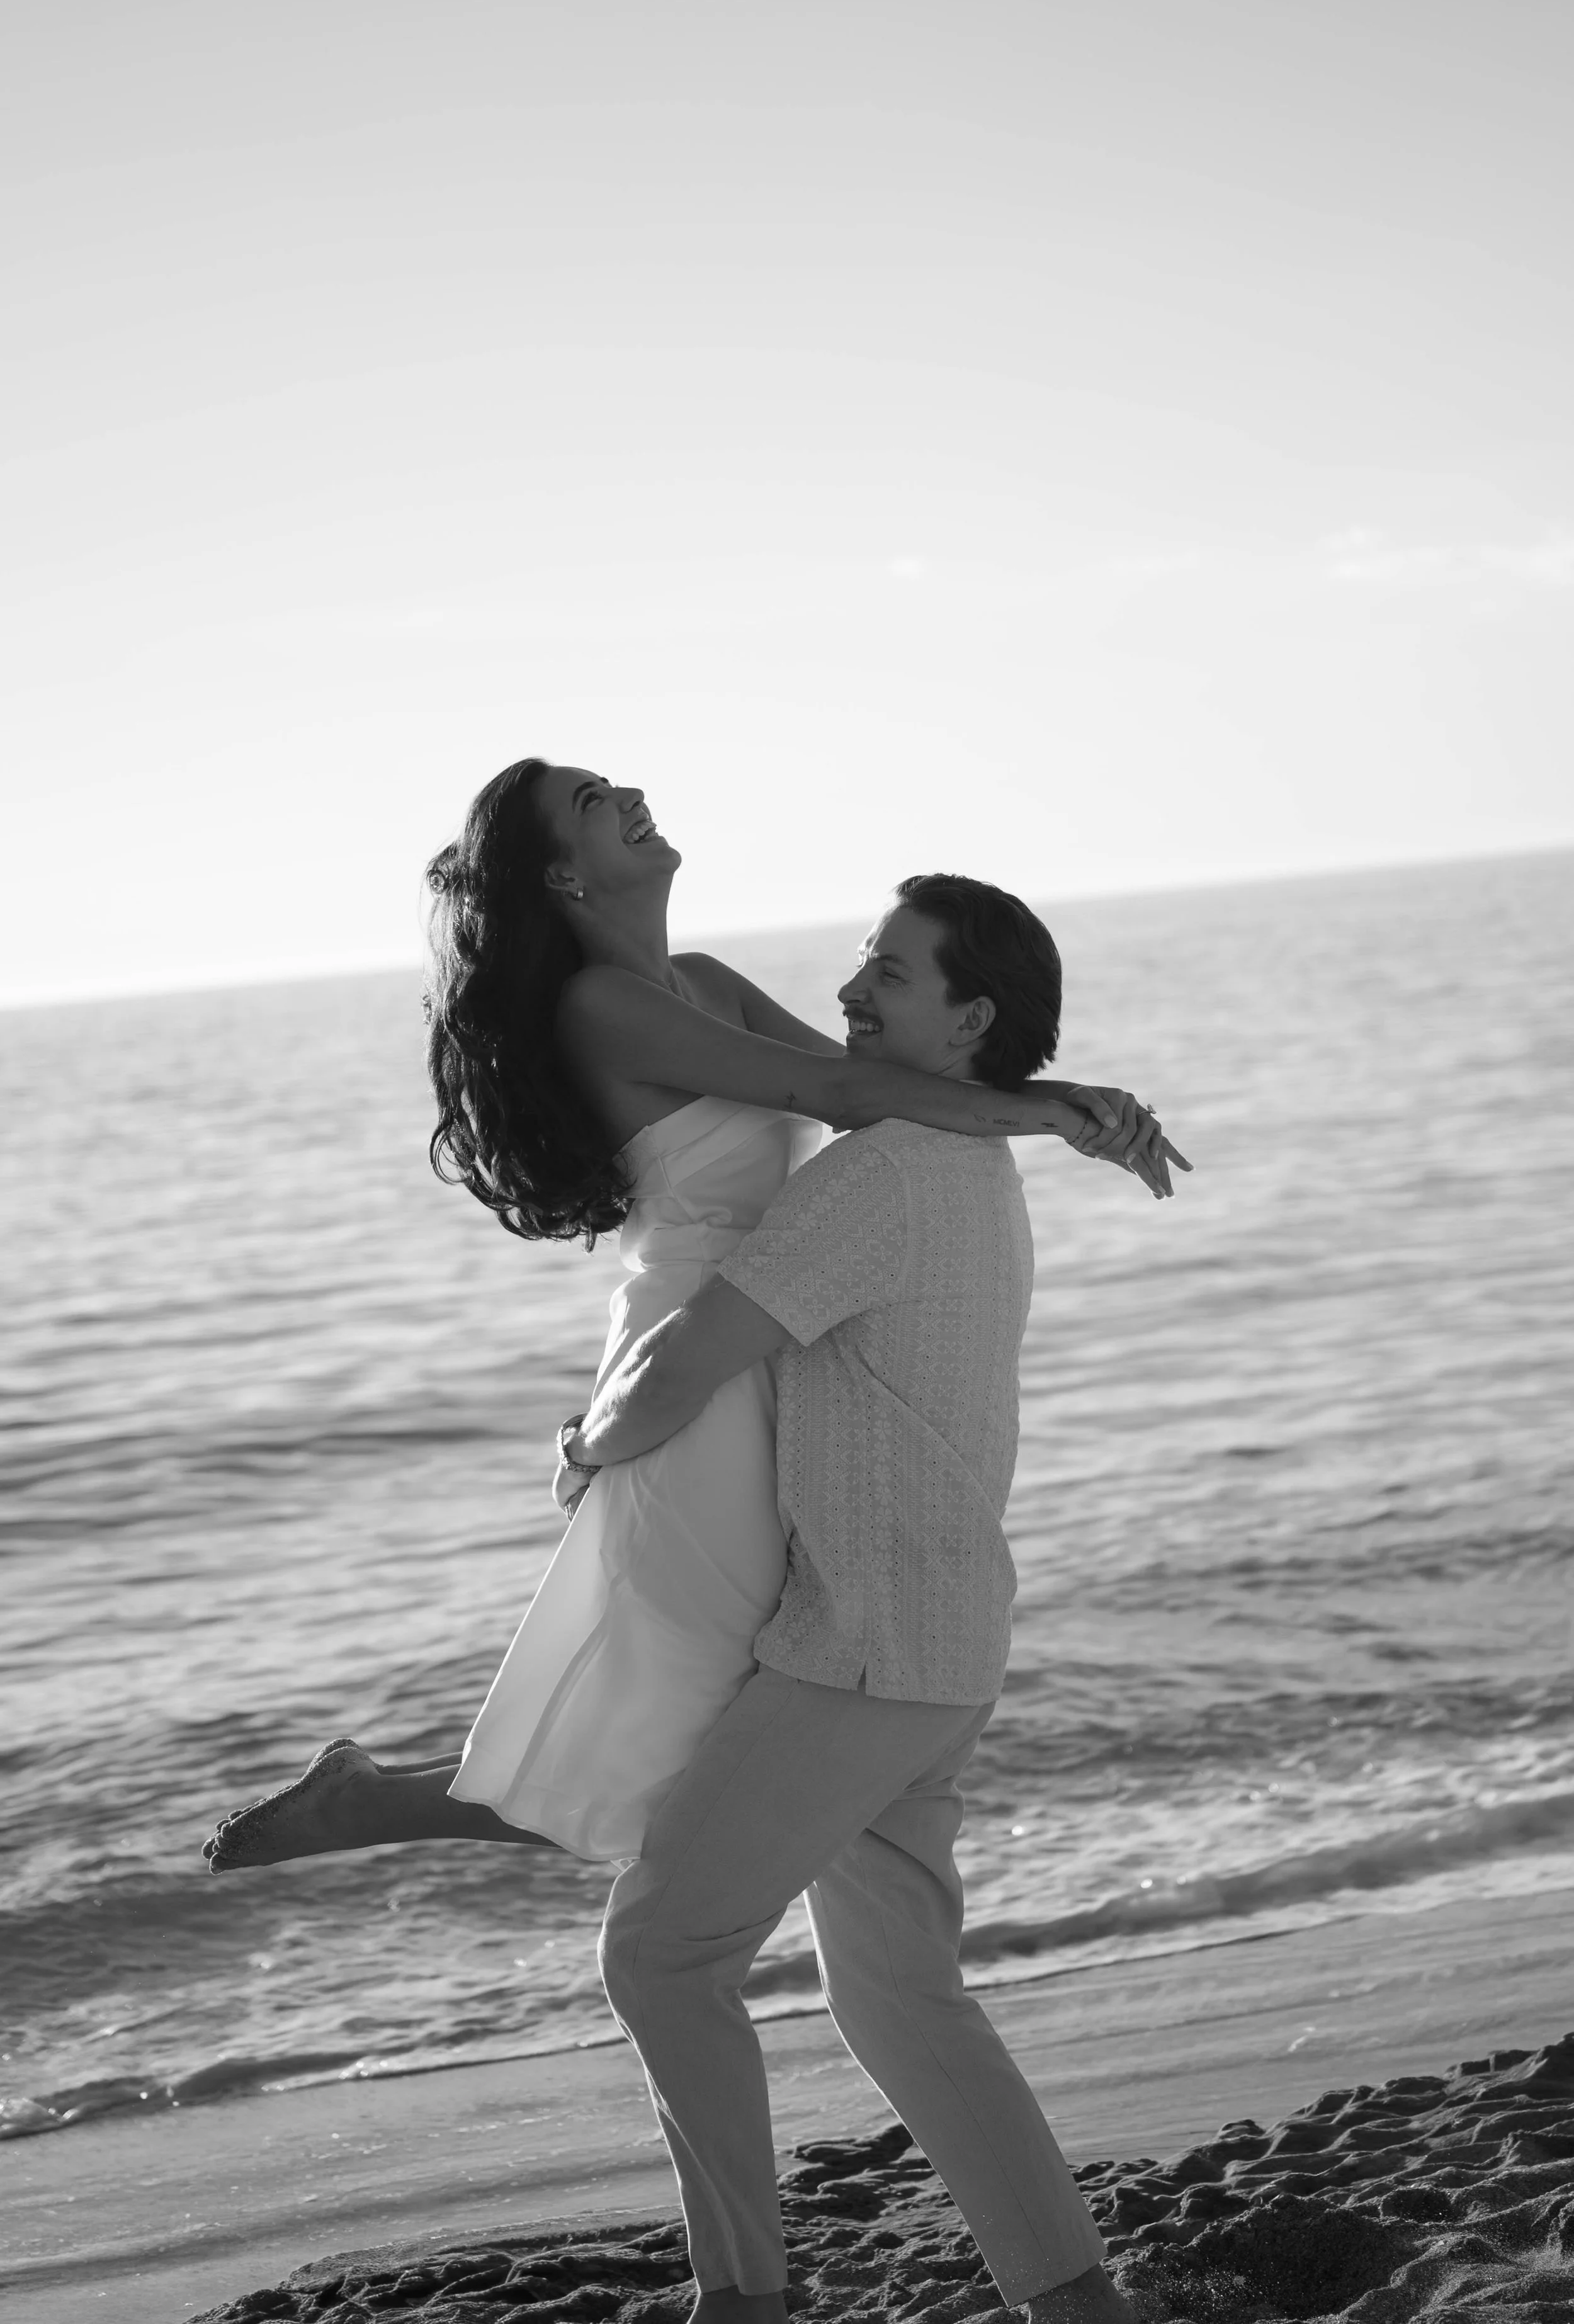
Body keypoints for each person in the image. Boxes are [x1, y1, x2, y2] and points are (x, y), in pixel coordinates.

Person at [203, 760, 1183, 1893]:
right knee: (693, 1721)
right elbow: (850, 1099)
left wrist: (1063, 1109)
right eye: (589, 802)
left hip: (781, 1331)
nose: (625, 794)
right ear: (562, 877)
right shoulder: (601, 1004)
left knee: (735, 1706)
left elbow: (856, 1081)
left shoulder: (705, 982)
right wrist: (1059, 1111)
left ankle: (383, 1799)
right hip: (701, 1351)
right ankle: (377, 1805)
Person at [560, 871, 1131, 2321]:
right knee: (898, 1999)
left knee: (661, 1952)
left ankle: (740, 2300)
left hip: (863, 1649)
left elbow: (685, 1356)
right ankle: (1076, 2303)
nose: (849, 990)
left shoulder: (881, 1174)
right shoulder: (969, 1165)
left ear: (968, 1020)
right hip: (938, 1639)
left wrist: (586, 1443)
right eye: (860, 961)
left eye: (887, 971)